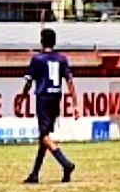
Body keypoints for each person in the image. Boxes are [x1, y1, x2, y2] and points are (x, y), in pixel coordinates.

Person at [17, 28, 77, 183]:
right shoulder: (62, 59)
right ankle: (35, 174)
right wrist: (76, 104)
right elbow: (69, 81)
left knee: (44, 136)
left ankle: (66, 163)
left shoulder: (38, 59)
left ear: (42, 41)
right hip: (57, 97)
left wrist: (22, 98)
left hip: (43, 98)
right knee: (43, 138)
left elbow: (29, 81)